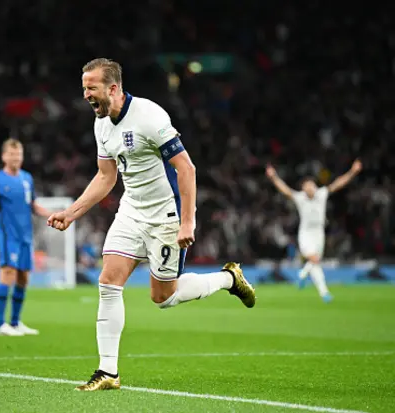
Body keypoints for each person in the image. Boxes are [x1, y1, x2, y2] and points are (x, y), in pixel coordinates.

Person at [47, 58, 256, 391]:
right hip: (131, 211)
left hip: (165, 216)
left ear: (112, 88)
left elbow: (186, 169)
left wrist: (188, 222)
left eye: (91, 88)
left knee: (164, 298)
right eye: (84, 87)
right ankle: (108, 372)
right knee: (108, 280)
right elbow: (106, 176)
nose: (85, 94)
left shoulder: (150, 117)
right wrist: (72, 212)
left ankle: (228, 278)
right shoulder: (101, 124)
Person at [265, 160, 362, 302]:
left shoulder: (322, 194)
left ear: (315, 186)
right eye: (306, 185)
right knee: (314, 259)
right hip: (305, 234)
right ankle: (315, 285)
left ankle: (312, 283)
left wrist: (353, 171)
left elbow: (339, 183)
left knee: (315, 263)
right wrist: (273, 177)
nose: (310, 187)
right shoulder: (300, 198)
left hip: (319, 233)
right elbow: (284, 189)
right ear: (303, 188)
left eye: (312, 184)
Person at [0, 139, 52, 336]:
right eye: (12, 154)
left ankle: (15, 322)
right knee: (8, 274)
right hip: (7, 236)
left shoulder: (27, 178)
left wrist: (54, 214)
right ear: (4, 156)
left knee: (23, 277)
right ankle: (0, 325)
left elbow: (34, 205)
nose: (16, 158)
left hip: (25, 236)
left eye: (19, 155)